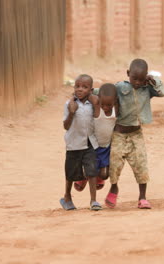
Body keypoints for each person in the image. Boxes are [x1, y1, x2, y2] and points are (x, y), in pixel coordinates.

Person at [105, 58, 164, 209]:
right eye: (134, 78)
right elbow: (105, 93)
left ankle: (142, 197)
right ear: (128, 74)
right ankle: (114, 188)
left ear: (146, 77)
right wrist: (88, 94)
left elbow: (163, 92)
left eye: (141, 79)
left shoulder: (147, 90)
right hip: (119, 134)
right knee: (115, 164)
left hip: (136, 134)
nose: (138, 82)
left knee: (141, 165)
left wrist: (153, 80)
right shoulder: (120, 87)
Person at [60, 74, 102, 211]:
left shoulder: (92, 103)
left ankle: (94, 200)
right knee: (71, 172)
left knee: (92, 171)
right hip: (74, 143)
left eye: (84, 87)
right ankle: (67, 197)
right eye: (77, 86)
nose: (80, 89)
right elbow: (66, 126)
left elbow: (97, 118)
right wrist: (72, 113)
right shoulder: (69, 104)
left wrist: (96, 105)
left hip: (90, 142)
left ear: (91, 89)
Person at [73, 83, 118, 192]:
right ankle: (84, 178)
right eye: (103, 104)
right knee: (89, 167)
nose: (106, 107)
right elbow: (88, 94)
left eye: (109, 105)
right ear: (99, 100)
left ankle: (96, 177)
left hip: (105, 148)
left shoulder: (116, 109)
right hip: (93, 146)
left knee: (104, 175)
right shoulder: (98, 107)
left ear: (115, 102)